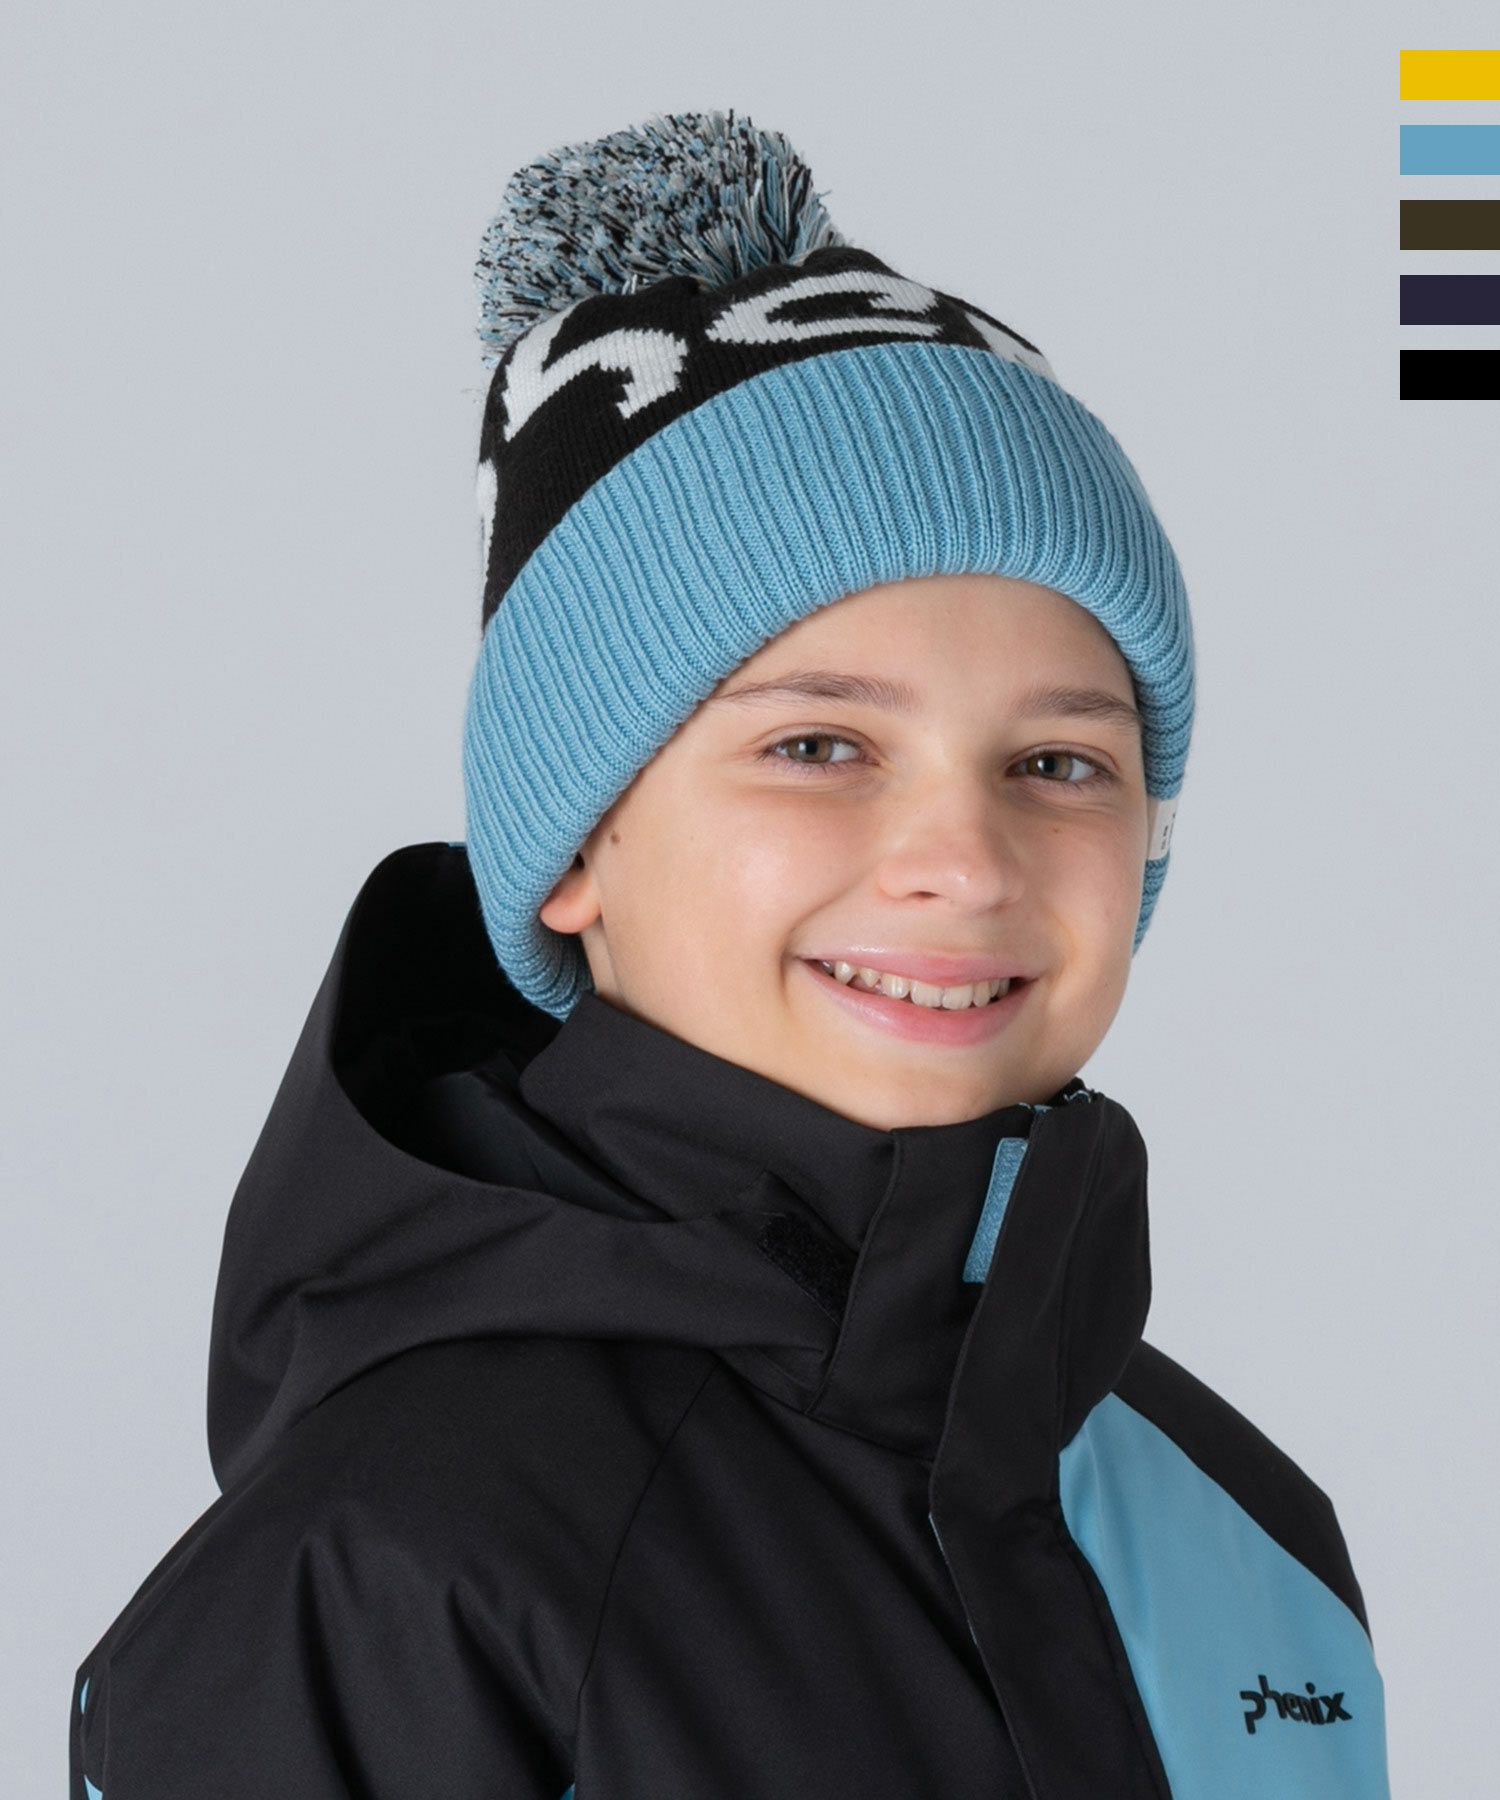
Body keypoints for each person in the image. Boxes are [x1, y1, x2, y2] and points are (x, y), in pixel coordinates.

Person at [71, 109, 1391, 1798]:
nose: (963, 862)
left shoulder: (1252, 1540)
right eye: (819, 746)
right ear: (575, 843)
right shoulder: (390, 1577)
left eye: (1060, 763)